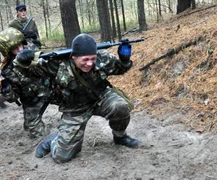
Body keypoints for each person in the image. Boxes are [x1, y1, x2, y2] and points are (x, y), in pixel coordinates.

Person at [34, 33, 141, 164]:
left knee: (119, 106)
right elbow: (29, 71)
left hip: (99, 98)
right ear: (74, 57)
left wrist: (124, 59)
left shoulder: (103, 58)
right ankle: (53, 140)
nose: (89, 63)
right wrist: (24, 60)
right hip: (74, 107)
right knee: (61, 157)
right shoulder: (56, 64)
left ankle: (120, 137)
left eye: (93, 58)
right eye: (85, 60)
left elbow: (120, 68)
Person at [0, 27, 54, 138]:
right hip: (32, 101)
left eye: (20, 45)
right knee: (33, 130)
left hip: (50, 91)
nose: (20, 49)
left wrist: (35, 39)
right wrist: (5, 85)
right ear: (7, 51)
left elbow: (49, 62)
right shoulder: (8, 70)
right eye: (14, 48)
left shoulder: (32, 52)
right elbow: (13, 97)